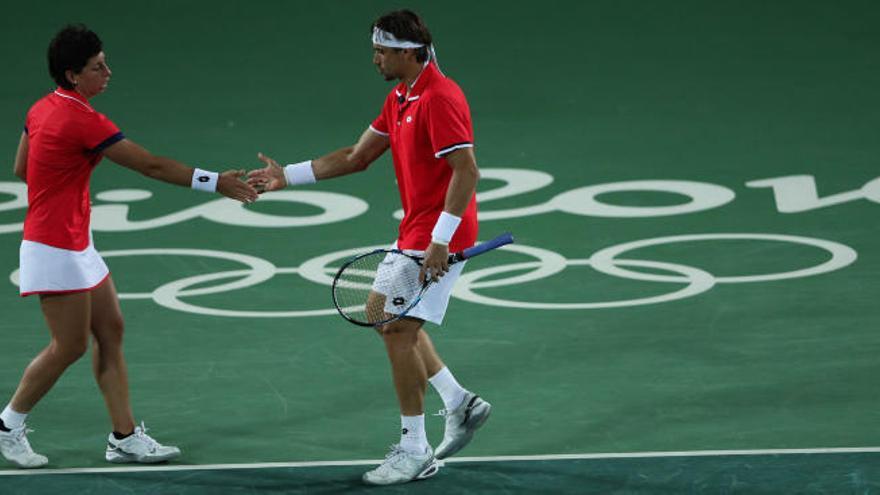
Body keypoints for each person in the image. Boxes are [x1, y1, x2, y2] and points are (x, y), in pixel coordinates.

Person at [248, 9, 491, 486]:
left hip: (438, 233)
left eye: (381, 51)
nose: (375, 58)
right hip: (415, 229)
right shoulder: (400, 97)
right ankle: (459, 402)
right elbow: (356, 157)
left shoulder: (440, 98)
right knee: (385, 314)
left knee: (397, 329)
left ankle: (414, 448)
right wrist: (286, 177)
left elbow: (467, 171)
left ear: (407, 51)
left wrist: (441, 240)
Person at [0, 24, 258, 469]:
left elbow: (22, 167)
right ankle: (8, 425)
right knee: (70, 345)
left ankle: (123, 437)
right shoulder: (83, 120)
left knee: (110, 330)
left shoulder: (42, 108)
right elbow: (152, 166)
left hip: (74, 241)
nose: (108, 72)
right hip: (53, 246)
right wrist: (217, 182)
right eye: (98, 67)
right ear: (73, 75)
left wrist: (63, 186)